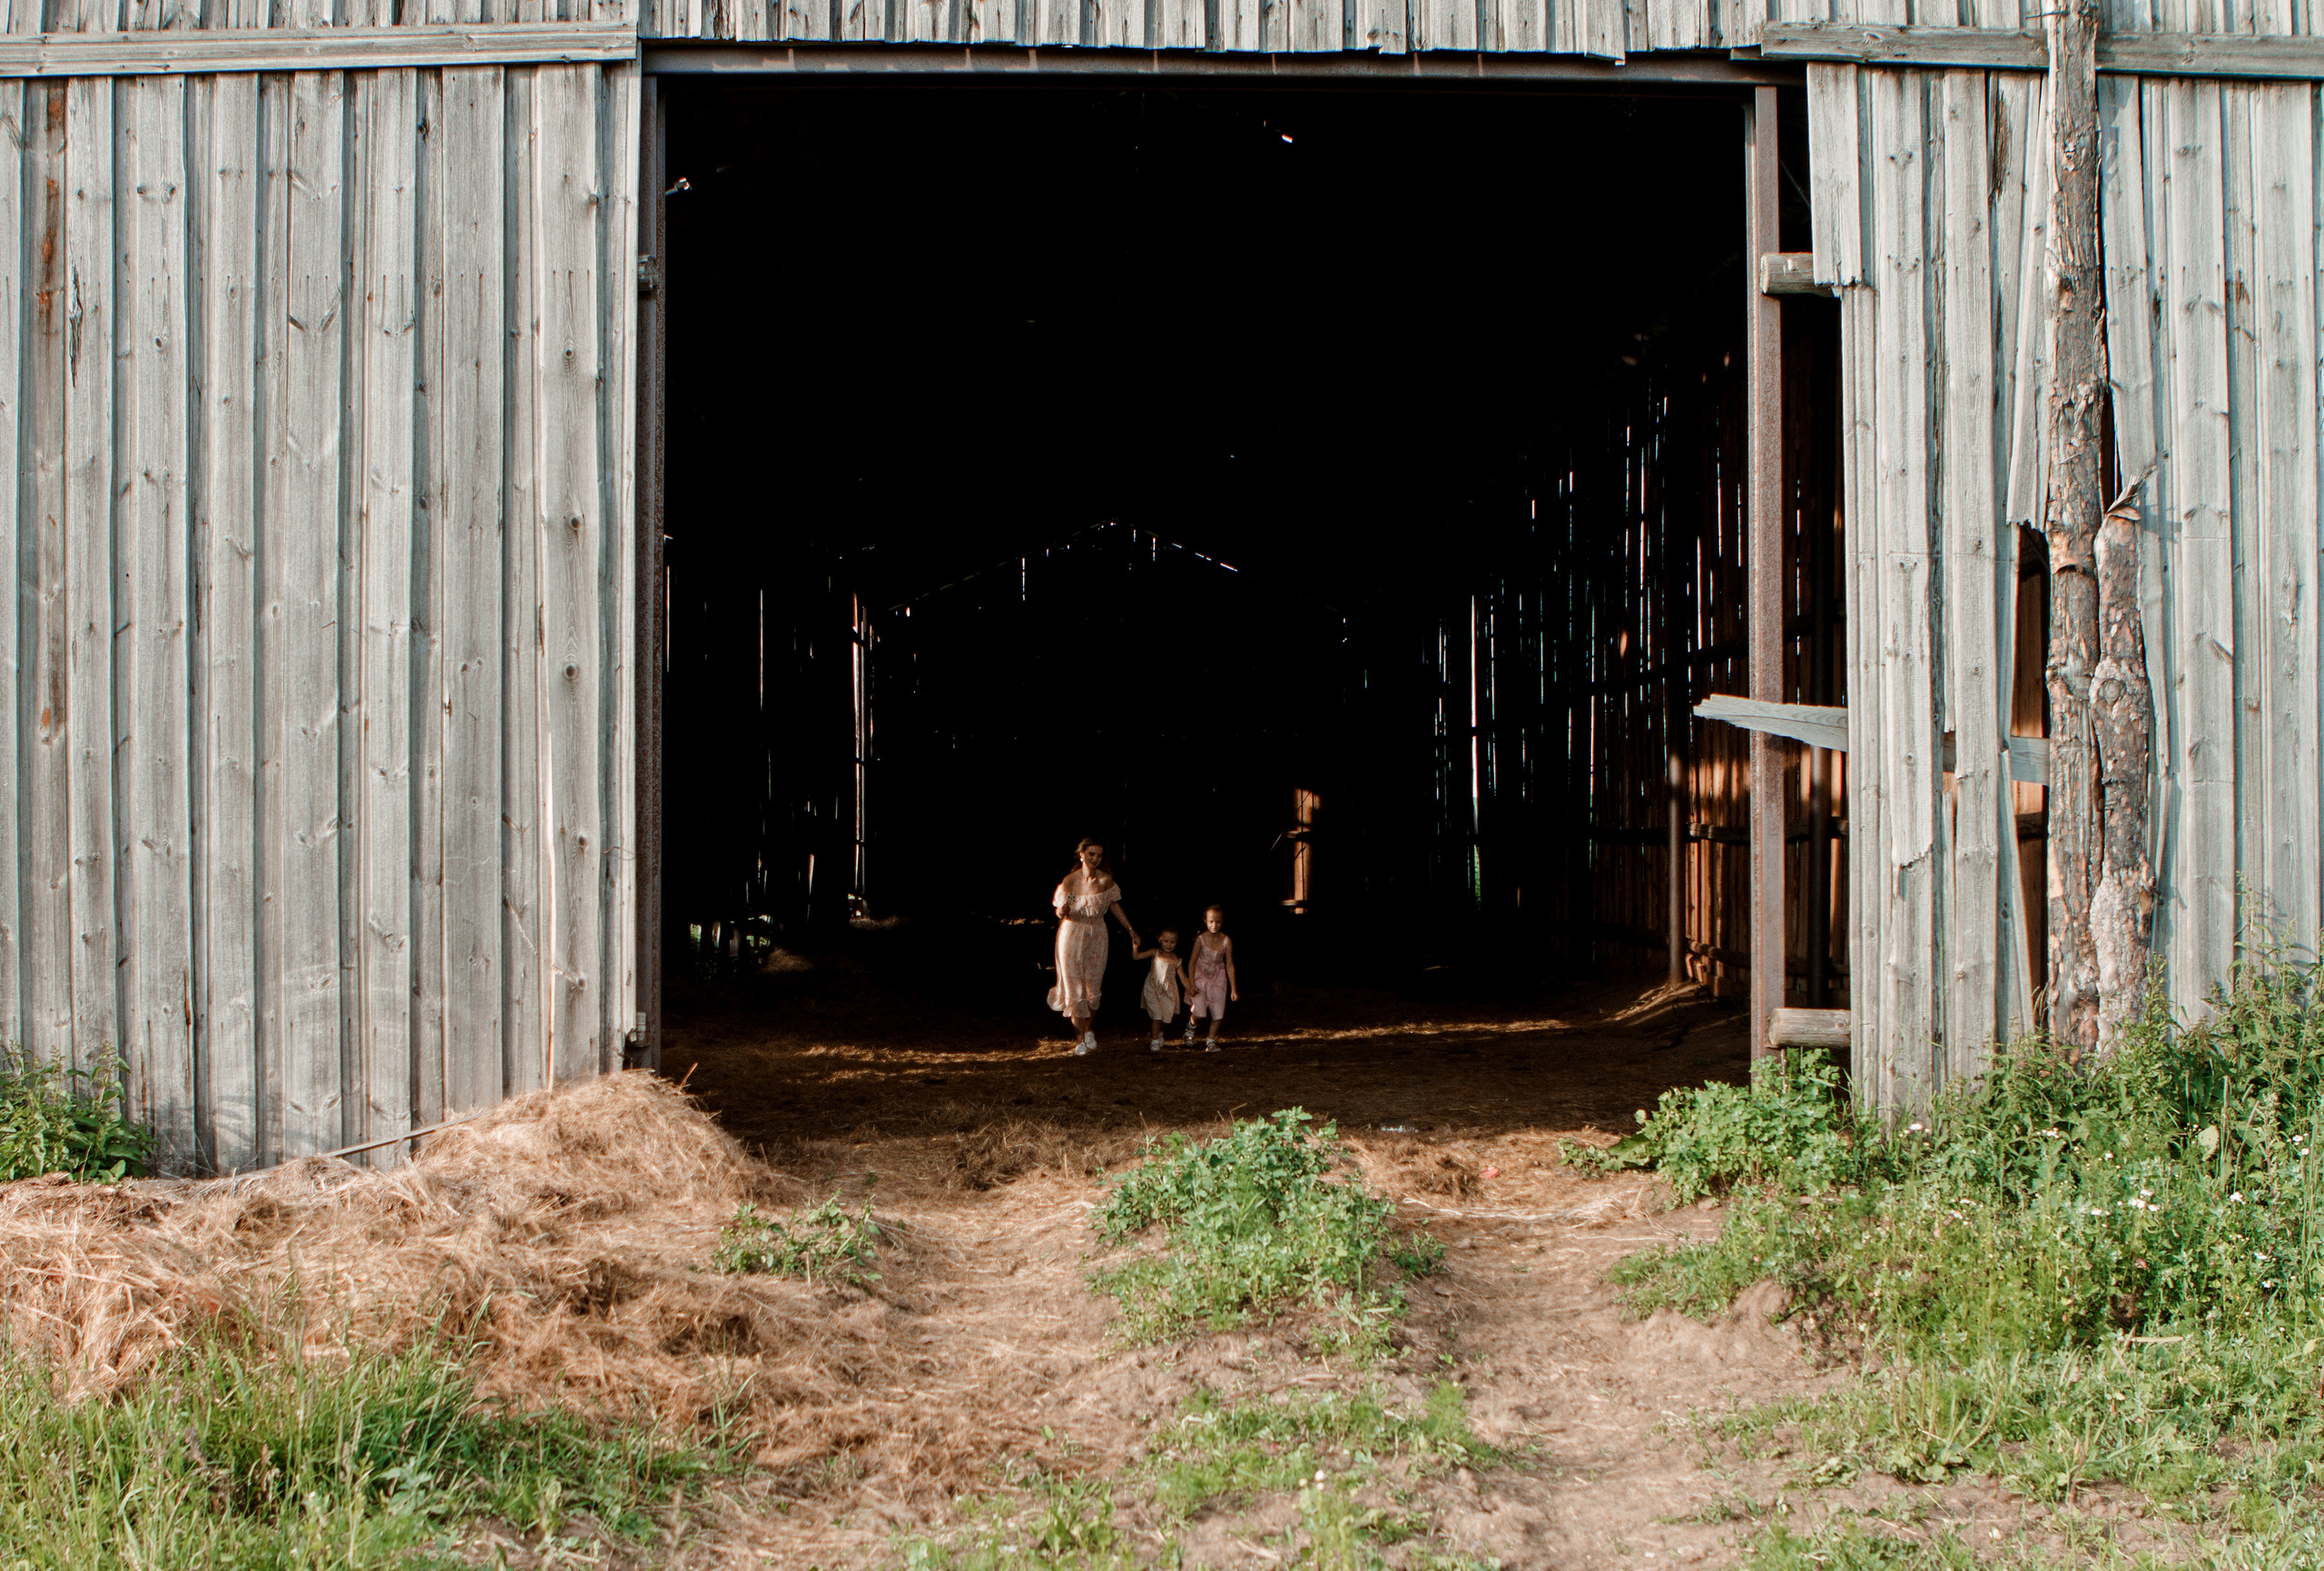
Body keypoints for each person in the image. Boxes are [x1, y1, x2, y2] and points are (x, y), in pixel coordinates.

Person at [1049, 837, 1139, 1056]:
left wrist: (1131, 930)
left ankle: (1088, 1030)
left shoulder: (1105, 881)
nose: (1095, 859)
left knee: (1093, 988)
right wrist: (1061, 912)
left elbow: (1114, 906)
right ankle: (1079, 1038)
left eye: (1099, 856)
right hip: (1072, 933)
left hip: (1097, 934)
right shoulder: (1071, 881)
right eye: (1091, 854)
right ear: (1082, 855)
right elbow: (1063, 908)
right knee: (1074, 987)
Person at [1184, 904, 1238, 1050]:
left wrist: (1233, 988)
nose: (1214, 925)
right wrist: (1191, 983)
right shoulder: (1200, 940)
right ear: (1205, 921)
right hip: (1200, 976)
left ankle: (1211, 1041)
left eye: (1218, 922)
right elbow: (1192, 962)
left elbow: (1230, 964)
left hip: (1218, 977)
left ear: (1222, 922)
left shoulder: (1226, 941)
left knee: (1218, 1011)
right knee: (1199, 1012)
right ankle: (1190, 1027)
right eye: (1211, 921)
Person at [1131, 928, 1188, 1052]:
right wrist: (1135, 946)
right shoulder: (1155, 953)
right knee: (1157, 1015)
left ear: (1176, 943)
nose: (1169, 944)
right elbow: (1136, 957)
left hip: (1168, 992)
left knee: (1165, 1017)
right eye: (1166, 941)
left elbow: (1183, 978)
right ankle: (1155, 1041)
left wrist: (1191, 988)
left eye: (1172, 942)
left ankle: (1160, 1032)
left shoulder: (1177, 960)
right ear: (1160, 939)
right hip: (1153, 989)